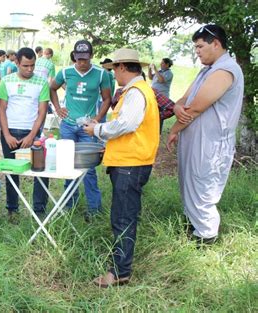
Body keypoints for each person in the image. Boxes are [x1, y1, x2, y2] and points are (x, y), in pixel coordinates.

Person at [84, 48, 160, 287]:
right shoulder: (137, 90)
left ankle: (119, 272)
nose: (114, 74)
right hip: (130, 162)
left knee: (123, 218)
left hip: (131, 164)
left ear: (123, 68)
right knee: (124, 215)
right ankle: (120, 267)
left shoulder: (136, 92)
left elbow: (126, 124)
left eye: (114, 69)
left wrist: (97, 130)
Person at [167, 24, 244, 245]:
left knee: (203, 187)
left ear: (216, 44)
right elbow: (183, 100)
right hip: (194, 139)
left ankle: (206, 237)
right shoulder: (207, 70)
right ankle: (193, 225)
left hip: (211, 143)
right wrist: (176, 108)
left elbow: (197, 107)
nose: (197, 51)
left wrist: (174, 129)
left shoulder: (225, 70)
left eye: (200, 46)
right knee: (188, 181)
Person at [50, 40, 112, 221]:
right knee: (67, 164)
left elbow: (107, 99)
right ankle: (70, 204)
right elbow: (52, 88)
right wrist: (57, 108)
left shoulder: (101, 75)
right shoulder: (65, 72)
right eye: (78, 59)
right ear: (74, 57)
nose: (81, 63)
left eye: (85, 59)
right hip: (68, 125)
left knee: (89, 168)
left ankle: (94, 209)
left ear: (91, 56)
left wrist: (97, 120)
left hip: (88, 128)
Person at [0, 47, 50, 220]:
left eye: (32, 65)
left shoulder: (41, 82)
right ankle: (13, 209)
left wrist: (31, 136)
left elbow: (42, 112)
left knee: (40, 171)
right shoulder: (6, 81)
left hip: (32, 133)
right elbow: (2, 109)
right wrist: (6, 135)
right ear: (17, 63)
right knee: (12, 172)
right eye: (26, 65)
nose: (30, 69)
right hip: (10, 133)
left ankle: (39, 210)